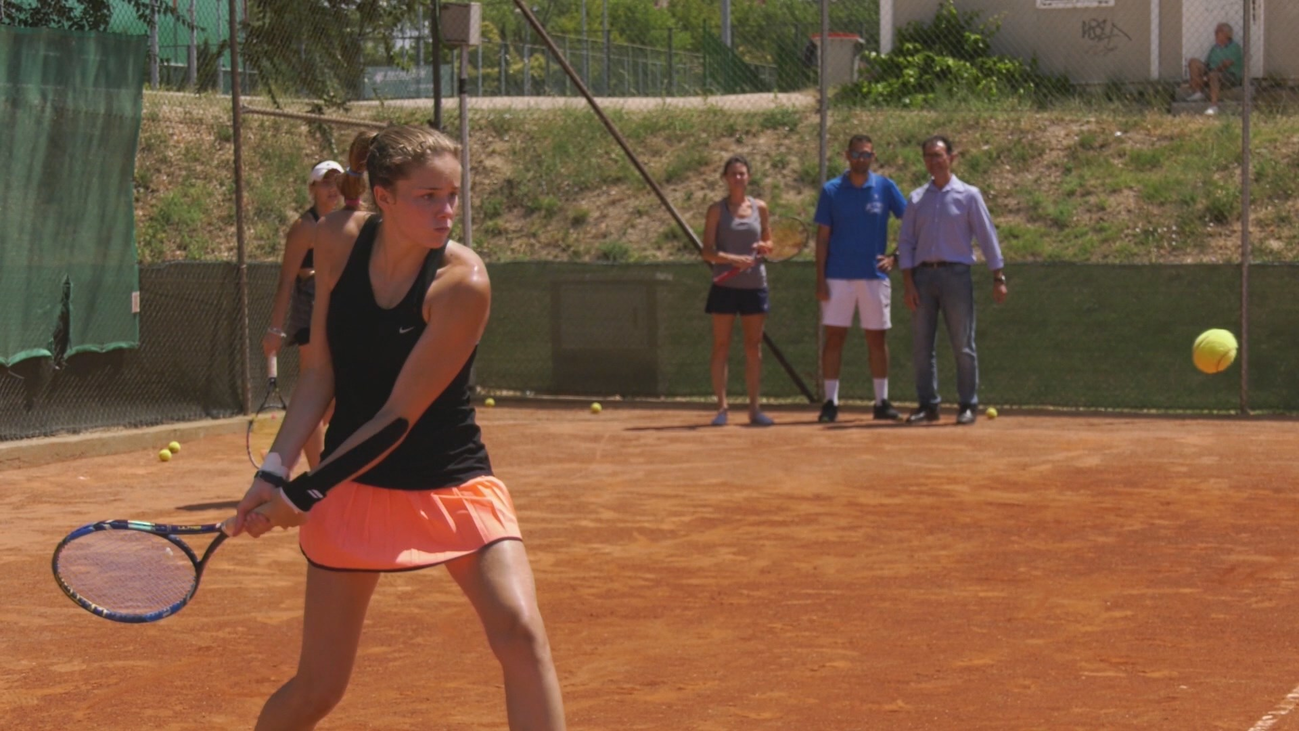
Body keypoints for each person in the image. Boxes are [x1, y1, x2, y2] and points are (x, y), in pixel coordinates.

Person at [230, 125, 566, 730]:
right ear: (382, 197)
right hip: (354, 490)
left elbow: (396, 420)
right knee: (317, 688)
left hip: (451, 481)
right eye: (428, 196)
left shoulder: (462, 282)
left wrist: (302, 495)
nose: (446, 211)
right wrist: (273, 470)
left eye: (454, 196)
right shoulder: (336, 240)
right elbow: (318, 374)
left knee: (521, 635)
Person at [898, 135, 1007, 426]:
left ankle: (967, 405)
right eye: (928, 156)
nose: (933, 161)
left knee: (963, 344)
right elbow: (906, 242)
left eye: (938, 155)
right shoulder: (916, 198)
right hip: (922, 278)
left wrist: (998, 276)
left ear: (952, 157)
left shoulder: (969, 195)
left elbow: (987, 236)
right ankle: (927, 405)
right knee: (922, 346)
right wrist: (908, 282)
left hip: (956, 276)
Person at [813, 134, 907, 423]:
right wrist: (819, 278)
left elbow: (912, 223)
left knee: (876, 339)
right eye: (856, 154)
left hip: (874, 277)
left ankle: (881, 402)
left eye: (866, 155)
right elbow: (822, 238)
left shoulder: (885, 187)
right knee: (834, 339)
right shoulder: (831, 191)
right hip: (837, 277)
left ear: (873, 157)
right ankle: (830, 402)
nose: (861, 159)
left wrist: (896, 256)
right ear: (847, 155)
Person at [262, 160, 343, 468]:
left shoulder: (344, 224)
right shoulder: (305, 227)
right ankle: (317, 470)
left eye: (336, 181)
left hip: (338, 309)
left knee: (335, 395)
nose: (332, 188)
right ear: (312, 188)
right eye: (325, 182)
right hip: (309, 309)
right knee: (314, 387)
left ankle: (300, 452)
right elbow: (286, 279)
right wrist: (275, 330)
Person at [701, 155, 775, 426]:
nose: (738, 178)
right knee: (721, 346)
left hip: (754, 286)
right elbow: (706, 251)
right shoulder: (716, 210)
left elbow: (769, 239)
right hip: (724, 286)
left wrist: (766, 247)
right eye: (733, 174)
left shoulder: (760, 207)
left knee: (753, 348)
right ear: (725, 178)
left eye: (742, 173)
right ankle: (722, 408)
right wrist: (732, 259)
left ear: (749, 177)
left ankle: (754, 410)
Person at [1187, 22, 1244, 115]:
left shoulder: (1234, 47)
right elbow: (1207, 63)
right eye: (1216, 31)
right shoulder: (1215, 48)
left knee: (1214, 75)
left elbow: (1226, 65)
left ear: (1227, 34)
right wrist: (1198, 75)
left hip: (1228, 75)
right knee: (1193, 62)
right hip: (1212, 71)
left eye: (1219, 31)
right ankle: (1198, 92)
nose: (1215, 33)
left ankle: (1214, 106)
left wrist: (1206, 77)